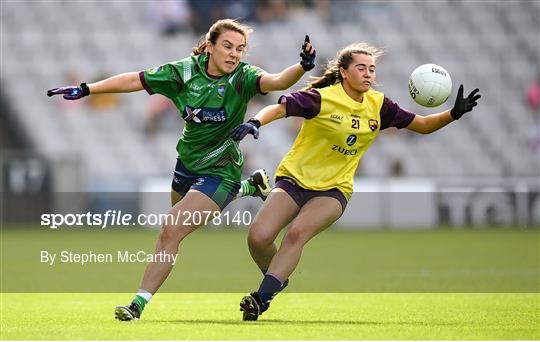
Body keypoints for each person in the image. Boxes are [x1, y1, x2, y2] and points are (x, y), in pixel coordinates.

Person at [47, 18, 316, 321]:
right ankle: (249, 188)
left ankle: (137, 304)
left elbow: (277, 81)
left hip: (221, 170)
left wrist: (302, 66)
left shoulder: (243, 77)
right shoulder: (184, 72)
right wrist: (86, 89)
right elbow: (135, 80)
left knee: (170, 230)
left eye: (240, 49)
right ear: (210, 46)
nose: (234, 54)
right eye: (227, 46)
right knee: (174, 230)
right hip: (186, 166)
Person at [230, 42, 481, 321]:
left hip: (334, 190)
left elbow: (421, 125)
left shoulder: (379, 105)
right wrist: (255, 122)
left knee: (296, 234)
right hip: (294, 180)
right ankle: (277, 277)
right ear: (344, 72)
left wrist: (453, 114)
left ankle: (261, 298)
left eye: (372, 69)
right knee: (258, 237)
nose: (368, 74)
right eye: (361, 68)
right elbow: (278, 108)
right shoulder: (321, 98)